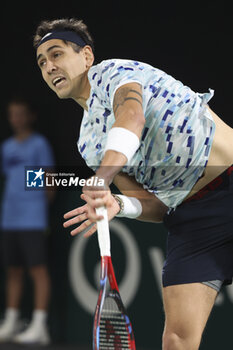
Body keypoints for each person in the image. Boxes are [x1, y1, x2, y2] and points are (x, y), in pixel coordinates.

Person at [34, 18, 233, 350]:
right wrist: (119, 205)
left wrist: (102, 177)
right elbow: (155, 207)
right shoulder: (88, 142)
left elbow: (131, 116)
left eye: (56, 54)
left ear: (86, 56)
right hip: (193, 221)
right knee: (177, 340)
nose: (49, 66)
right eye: (41, 62)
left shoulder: (115, 73)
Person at [0, 97, 54, 345]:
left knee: (37, 270)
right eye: (12, 114)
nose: (16, 119)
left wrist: (40, 209)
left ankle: (39, 325)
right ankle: (11, 321)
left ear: (30, 116)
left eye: (20, 113)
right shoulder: (7, 147)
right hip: (9, 218)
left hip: (32, 218)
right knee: (13, 271)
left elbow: (48, 180)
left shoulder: (39, 144)